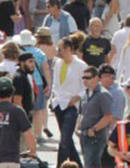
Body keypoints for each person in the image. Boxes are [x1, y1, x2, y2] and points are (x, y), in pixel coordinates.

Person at [0, 77, 38, 167]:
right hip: (11, 160)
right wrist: (33, 152)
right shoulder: (17, 111)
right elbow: (28, 134)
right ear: (12, 92)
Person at [52, 37, 87, 166]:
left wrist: (76, 98)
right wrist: (54, 97)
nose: (57, 52)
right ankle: (78, 165)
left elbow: (86, 87)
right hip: (58, 104)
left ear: (68, 49)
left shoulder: (81, 65)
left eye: (60, 49)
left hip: (72, 106)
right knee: (67, 140)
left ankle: (60, 165)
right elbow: (56, 83)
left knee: (64, 139)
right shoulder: (58, 63)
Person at [78, 66, 116, 168]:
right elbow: (82, 113)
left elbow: (108, 116)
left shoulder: (103, 94)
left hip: (96, 137)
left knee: (92, 164)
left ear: (96, 78)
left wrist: (94, 129)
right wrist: (78, 127)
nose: (85, 80)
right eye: (83, 78)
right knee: (87, 163)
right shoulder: (85, 94)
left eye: (88, 78)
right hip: (84, 134)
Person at [12, 52, 38, 118]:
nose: (33, 65)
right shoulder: (19, 78)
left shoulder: (25, 76)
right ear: (22, 63)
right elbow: (17, 100)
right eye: (30, 62)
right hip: (22, 118)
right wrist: (23, 118)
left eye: (34, 62)